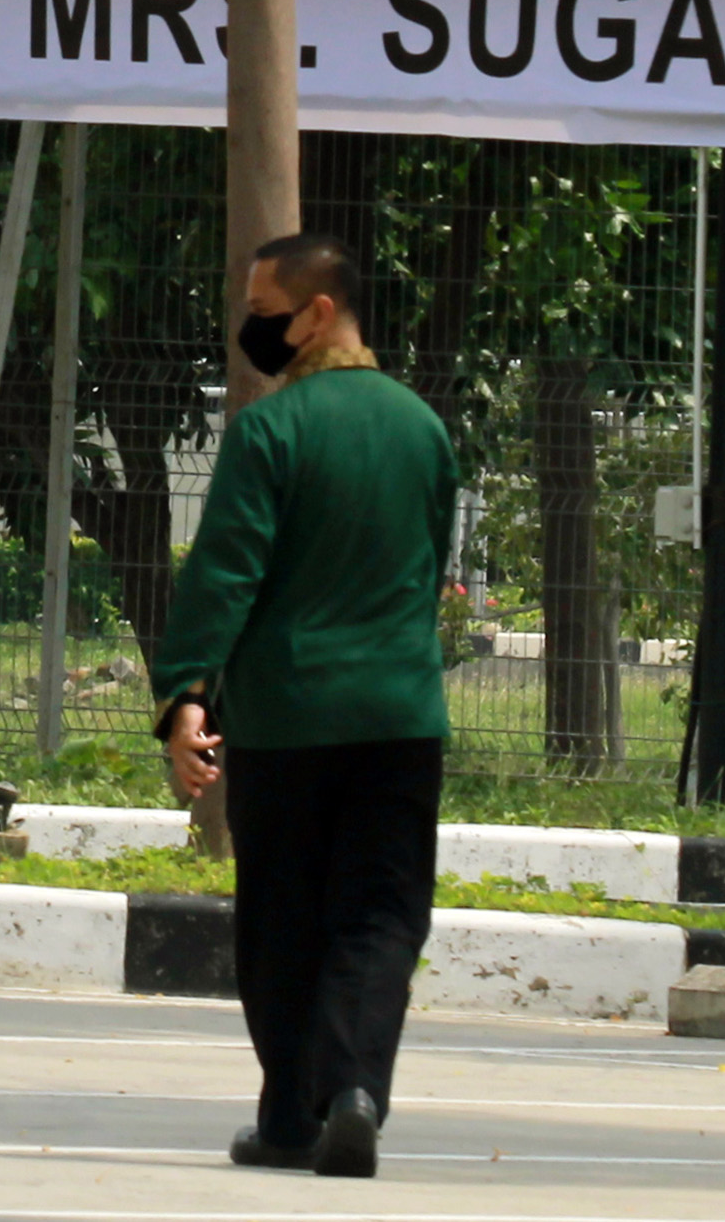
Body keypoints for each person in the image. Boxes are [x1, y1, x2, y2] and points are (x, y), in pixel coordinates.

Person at [158, 233, 458, 1183]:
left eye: (264, 308)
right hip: (400, 718)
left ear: (319, 312)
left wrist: (186, 698)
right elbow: (429, 566)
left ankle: (290, 1116)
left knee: (282, 921)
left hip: (288, 720)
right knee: (380, 913)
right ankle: (356, 1091)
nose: (253, 326)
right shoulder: (424, 429)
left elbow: (226, 573)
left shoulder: (269, 430)